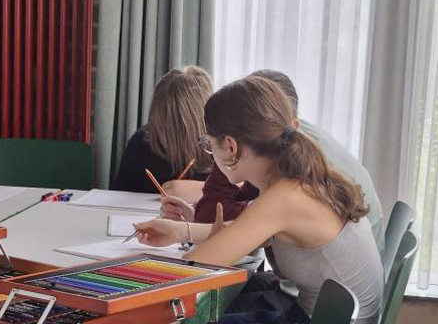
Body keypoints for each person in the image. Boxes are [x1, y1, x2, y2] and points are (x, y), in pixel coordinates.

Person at [135, 76, 384, 324]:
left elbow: (191, 269)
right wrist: (179, 230)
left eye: (209, 144)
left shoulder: (284, 196)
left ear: (230, 146)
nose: (210, 153)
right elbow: (243, 233)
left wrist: (118, 283)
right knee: (212, 321)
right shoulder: (296, 179)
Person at [161, 69, 384, 249]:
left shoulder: (293, 176)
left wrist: (187, 230)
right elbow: (240, 223)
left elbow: (240, 233)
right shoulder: (274, 152)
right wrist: (190, 223)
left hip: (322, 290)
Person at [112, 66, 213, 193]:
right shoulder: (141, 142)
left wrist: (201, 190)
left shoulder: (219, 147)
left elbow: (235, 195)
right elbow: (119, 194)